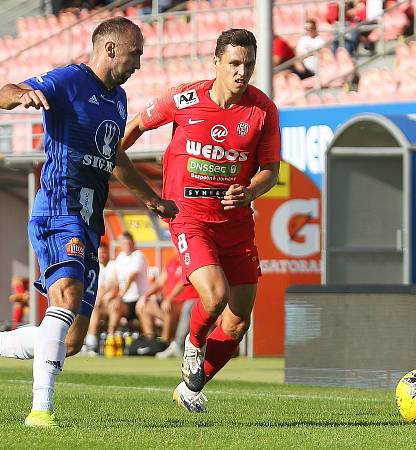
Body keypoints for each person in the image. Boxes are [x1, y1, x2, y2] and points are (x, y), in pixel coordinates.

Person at [0, 17, 177, 428]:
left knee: (69, 340)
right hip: (58, 207)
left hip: (89, 220)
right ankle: (40, 411)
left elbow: (114, 156)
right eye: (134, 53)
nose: (138, 62)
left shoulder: (118, 98)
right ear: (110, 49)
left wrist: (151, 199)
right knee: (65, 298)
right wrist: (22, 95)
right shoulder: (70, 79)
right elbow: (1, 95)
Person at [120, 28, 280, 413]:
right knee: (215, 295)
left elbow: (270, 170)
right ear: (217, 63)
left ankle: (190, 388)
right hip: (189, 215)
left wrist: (251, 191)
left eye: (249, 64)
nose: (242, 72)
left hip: (236, 221)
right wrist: (107, 156)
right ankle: (192, 344)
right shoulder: (184, 97)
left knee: (239, 320)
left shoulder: (262, 111)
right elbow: (139, 124)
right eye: (235, 63)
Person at [106, 231, 148, 352]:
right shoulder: (120, 258)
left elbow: (131, 277)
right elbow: (115, 281)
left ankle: (151, 342)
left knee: (117, 304)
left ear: (133, 243)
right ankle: (109, 338)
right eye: (124, 243)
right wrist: (107, 296)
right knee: (110, 306)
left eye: (129, 243)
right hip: (125, 300)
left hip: (139, 299)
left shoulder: (138, 255)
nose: (127, 246)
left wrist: (119, 296)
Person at [82, 241, 117, 354]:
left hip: (110, 302)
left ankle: (106, 343)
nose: (102, 255)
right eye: (100, 253)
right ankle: (90, 345)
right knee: (93, 311)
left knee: (102, 307)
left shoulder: (112, 265)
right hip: (98, 304)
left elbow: (112, 284)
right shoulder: (94, 266)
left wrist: (99, 299)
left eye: (104, 252)